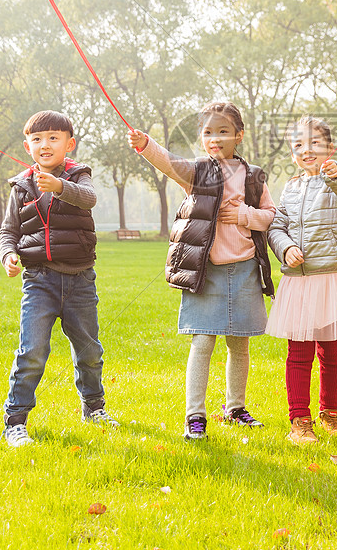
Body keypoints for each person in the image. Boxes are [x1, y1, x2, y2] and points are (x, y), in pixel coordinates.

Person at [127, 102, 276, 440]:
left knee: (240, 344)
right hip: (206, 271)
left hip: (244, 270)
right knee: (203, 342)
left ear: (238, 135)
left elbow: (270, 215)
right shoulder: (196, 172)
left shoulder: (253, 175)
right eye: (208, 132)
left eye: (223, 131)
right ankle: (195, 416)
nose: (214, 138)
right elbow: (169, 163)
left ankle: (235, 408)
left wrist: (244, 216)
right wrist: (146, 144)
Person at [0, 110, 115, 447]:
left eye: (53, 138)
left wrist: (61, 187)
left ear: (69, 144)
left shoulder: (79, 175)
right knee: (32, 351)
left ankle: (94, 408)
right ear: (27, 146)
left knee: (89, 351)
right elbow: (9, 230)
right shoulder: (20, 187)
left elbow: (89, 199)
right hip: (39, 282)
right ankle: (15, 422)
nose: (45, 144)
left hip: (80, 281)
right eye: (37, 139)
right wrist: (8, 254)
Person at [265, 117, 337, 446]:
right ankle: (299, 419)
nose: (306, 150)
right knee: (298, 353)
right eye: (297, 145)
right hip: (300, 281)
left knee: (332, 352)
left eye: (314, 142)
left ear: (330, 147)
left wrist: (335, 171)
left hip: (331, 279)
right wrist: (286, 248)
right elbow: (275, 227)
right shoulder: (291, 188)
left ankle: (330, 415)